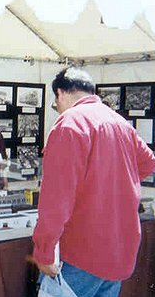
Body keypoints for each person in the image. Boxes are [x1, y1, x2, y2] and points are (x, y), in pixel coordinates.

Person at [32, 67, 155, 297]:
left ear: (60, 93)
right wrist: (109, 186)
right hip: (118, 253)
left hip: (80, 254)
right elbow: (148, 163)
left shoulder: (69, 124)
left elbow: (56, 199)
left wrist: (45, 251)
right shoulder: (119, 122)